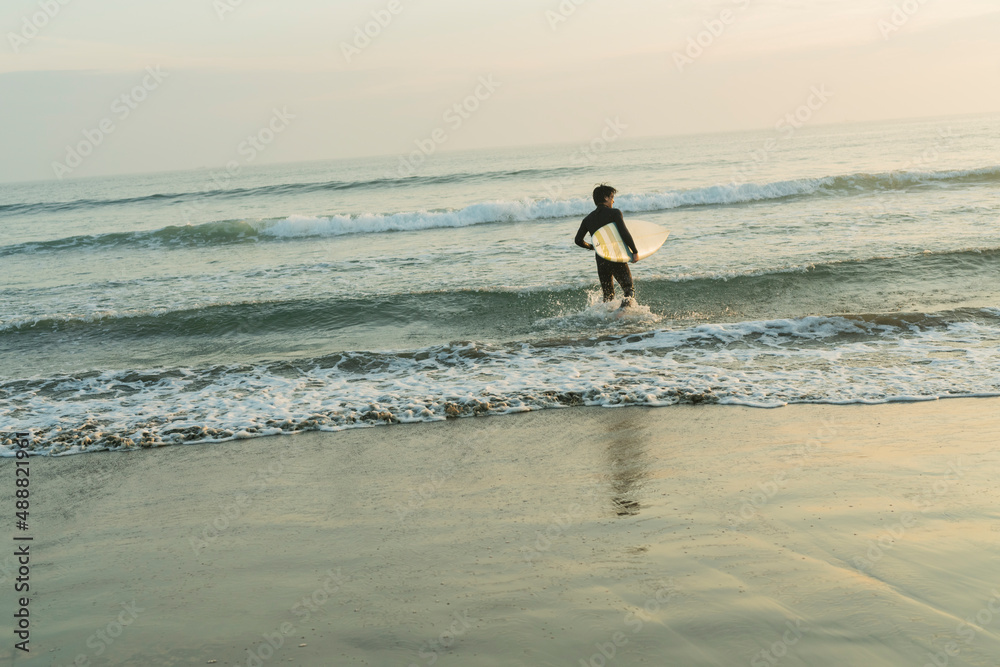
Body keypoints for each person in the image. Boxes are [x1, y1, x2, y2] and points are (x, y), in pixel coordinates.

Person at [574, 184, 639, 306]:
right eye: (612, 197)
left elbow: (578, 240)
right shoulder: (614, 213)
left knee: (608, 294)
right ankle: (622, 312)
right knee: (628, 289)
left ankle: (606, 317)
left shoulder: (587, 219)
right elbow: (624, 232)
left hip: (601, 258)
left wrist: (591, 247)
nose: (613, 200)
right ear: (606, 198)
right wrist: (634, 251)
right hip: (614, 254)